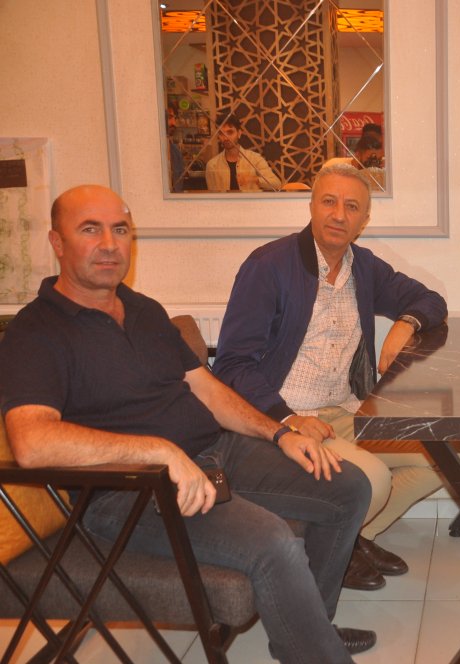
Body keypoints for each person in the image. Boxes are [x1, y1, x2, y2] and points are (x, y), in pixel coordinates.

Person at [0, 185, 377, 662]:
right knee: (274, 543)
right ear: (57, 242)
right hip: (128, 492)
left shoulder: (144, 310)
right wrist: (158, 452)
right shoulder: (35, 332)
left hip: (213, 454)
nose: (110, 244)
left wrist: (280, 432)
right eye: (90, 230)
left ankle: (308, 630)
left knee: (347, 488)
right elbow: (31, 441)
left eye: (120, 230)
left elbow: (207, 389)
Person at [213, 162, 449, 590]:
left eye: (352, 207)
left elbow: (430, 299)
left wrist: (406, 322)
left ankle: (350, 541)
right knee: (373, 480)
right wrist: (286, 419)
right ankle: (334, 551)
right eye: (329, 201)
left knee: (447, 457)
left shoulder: (364, 268)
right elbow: (231, 364)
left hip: (346, 410)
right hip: (283, 420)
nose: (339, 214)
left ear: (364, 220)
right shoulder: (269, 266)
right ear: (311, 206)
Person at [205, 115, 281, 192]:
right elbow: (212, 196)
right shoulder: (212, 165)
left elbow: (276, 184)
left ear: (239, 133)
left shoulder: (254, 159)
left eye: (230, 132)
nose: (226, 138)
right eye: (221, 133)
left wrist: (254, 179)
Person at [166, 105, 185, 192]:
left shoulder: (176, 152)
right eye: (169, 117)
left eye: (175, 118)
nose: (174, 123)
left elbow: (178, 189)